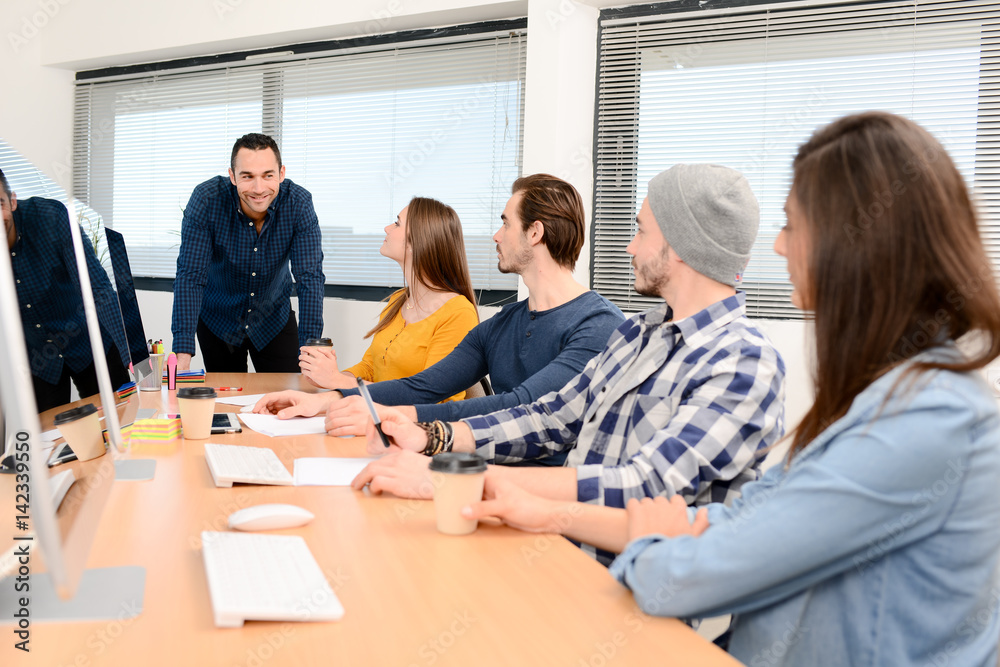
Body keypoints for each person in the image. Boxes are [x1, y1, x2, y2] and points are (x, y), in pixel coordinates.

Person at [465, 113, 1000, 664]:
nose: (777, 247)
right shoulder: (887, 397)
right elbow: (745, 521)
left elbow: (702, 565)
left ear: (856, 242)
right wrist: (543, 512)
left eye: (792, 224)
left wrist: (648, 542)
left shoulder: (930, 419)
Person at [351, 163, 787, 564]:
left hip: (627, 588)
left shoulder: (743, 362)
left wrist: (452, 476)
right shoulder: (638, 334)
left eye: (642, 232)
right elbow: (551, 417)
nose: (631, 246)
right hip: (555, 551)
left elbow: (643, 485)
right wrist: (432, 436)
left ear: (679, 246)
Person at [253, 174, 626, 465]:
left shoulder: (596, 324)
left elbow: (521, 405)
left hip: (545, 487)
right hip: (483, 468)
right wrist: (328, 399)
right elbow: (423, 386)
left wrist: (387, 413)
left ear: (534, 232)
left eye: (505, 224)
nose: (496, 236)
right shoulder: (504, 323)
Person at [171, 133, 325, 373]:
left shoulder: (298, 203)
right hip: (218, 321)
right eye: (247, 176)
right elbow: (190, 276)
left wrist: (311, 350)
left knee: (290, 396)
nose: (258, 188)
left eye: (268, 175)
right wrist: (182, 353)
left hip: (273, 317)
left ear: (281, 174)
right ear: (232, 176)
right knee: (226, 400)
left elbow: (310, 277)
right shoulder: (206, 200)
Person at [299, 197, 478, 400]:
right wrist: (330, 377)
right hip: (375, 416)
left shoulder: (458, 314)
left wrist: (340, 382)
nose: (387, 228)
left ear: (417, 241)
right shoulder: (399, 300)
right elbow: (370, 367)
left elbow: (432, 397)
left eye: (397, 223)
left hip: (418, 428)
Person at [1, 169, 131, 413]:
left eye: (0, 203)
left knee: (122, 416)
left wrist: (127, 354)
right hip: (37, 357)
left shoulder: (52, 217)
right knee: (49, 439)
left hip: (88, 338)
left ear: (13, 201)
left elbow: (97, 285)